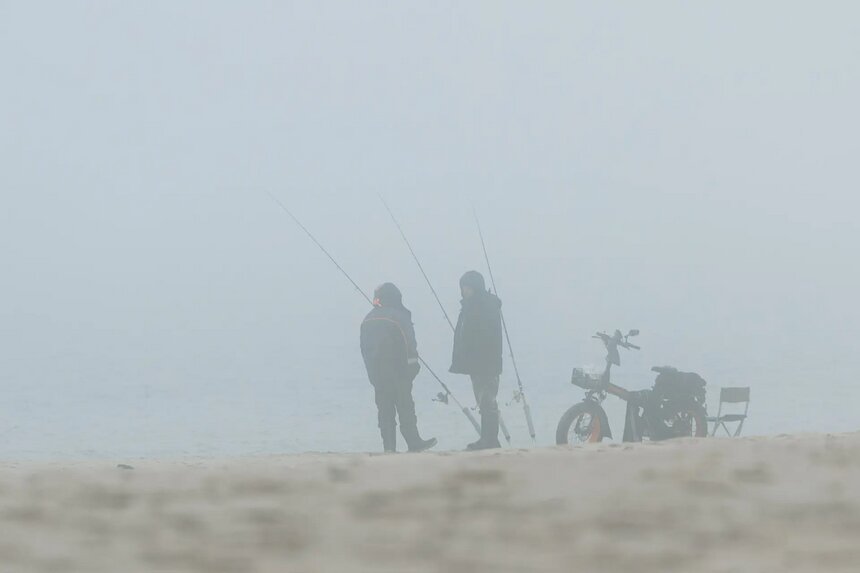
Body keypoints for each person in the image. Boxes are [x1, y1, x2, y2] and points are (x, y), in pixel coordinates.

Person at [360, 283, 437, 453]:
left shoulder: (367, 319)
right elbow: (409, 343)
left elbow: (364, 349)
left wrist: (371, 372)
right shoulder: (399, 316)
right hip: (399, 372)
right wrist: (413, 367)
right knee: (405, 408)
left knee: (384, 410)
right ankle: (414, 442)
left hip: (377, 374)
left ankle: (389, 447)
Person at [450, 270, 503, 450]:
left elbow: (483, 335)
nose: (464, 291)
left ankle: (490, 440)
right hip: (478, 362)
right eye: (463, 288)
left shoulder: (483, 305)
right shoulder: (473, 305)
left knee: (487, 400)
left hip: (485, 361)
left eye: (467, 287)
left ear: (474, 287)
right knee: (484, 401)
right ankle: (487, 439)